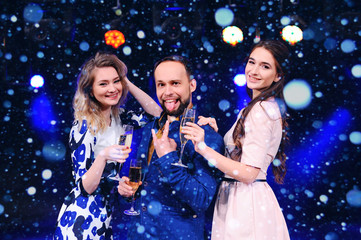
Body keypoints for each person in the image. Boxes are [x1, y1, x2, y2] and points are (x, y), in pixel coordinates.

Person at [182, 40, 291, 240]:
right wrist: (215, 137)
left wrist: (204, 147)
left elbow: (249, 173)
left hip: (246, 203)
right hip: (243, 199)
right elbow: (242, 158)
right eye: (252, 62)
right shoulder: (259, 107)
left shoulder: (261, 111)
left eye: (265, 66)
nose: (254, 70)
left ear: (278, 75)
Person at [54, 52, 162, 239]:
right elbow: (85, 187)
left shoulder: (119, 116)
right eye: (103, 84)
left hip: (104, 215)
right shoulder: (84, 126)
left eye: (115, 81)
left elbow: (157, 114)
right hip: (81, 217)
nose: (112, 88)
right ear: (90, 90)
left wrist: (126, 82)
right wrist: (103, 156)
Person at [117, 55, 224, 239]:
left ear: (192, 85)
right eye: (161, 84)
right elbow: (146, 187)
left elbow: (202, 199)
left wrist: (168, 157)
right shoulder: (150, 127)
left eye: (175, 83)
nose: (167, 92)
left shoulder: (206, 136)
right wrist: (127, 191)